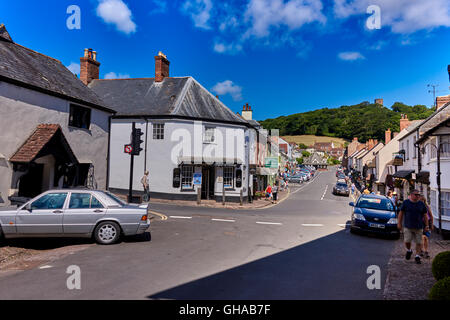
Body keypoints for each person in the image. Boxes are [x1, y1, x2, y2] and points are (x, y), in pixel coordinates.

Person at [397, 190, 429, 264]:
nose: (417, 196)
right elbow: (401, 213)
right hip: (408, 226)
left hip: (419, 227)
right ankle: (409, 250)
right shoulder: (406, 203)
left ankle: (417, 256)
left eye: (418, 195)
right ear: (411, 195)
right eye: (416, 195)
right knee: (407, 241)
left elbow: (425, 215)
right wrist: (399, 223)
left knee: (419, 242)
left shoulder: (421, 204)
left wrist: (427, 225)